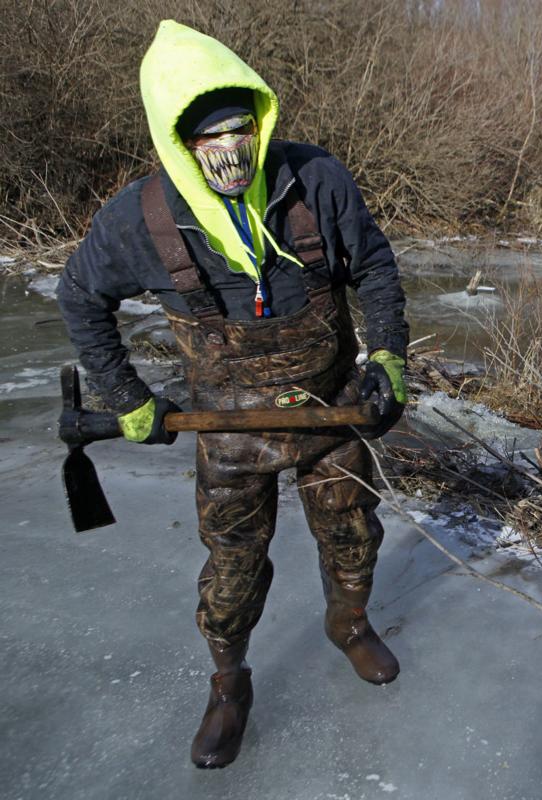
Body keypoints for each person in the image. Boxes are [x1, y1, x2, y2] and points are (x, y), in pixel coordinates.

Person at [56, 20, 410, 769]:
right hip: (226, 425)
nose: (228, 148)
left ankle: (348, 624)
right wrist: (125, 392)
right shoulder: (139, 221)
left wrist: (386, 354)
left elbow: (374, 265)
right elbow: (80, 294)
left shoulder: (315, 181)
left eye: (237, 127)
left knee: (353, 534)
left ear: (260, 121)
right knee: (233, 566)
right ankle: (228, 683)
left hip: (330, 409)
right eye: (205, 135)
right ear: (177, 142)